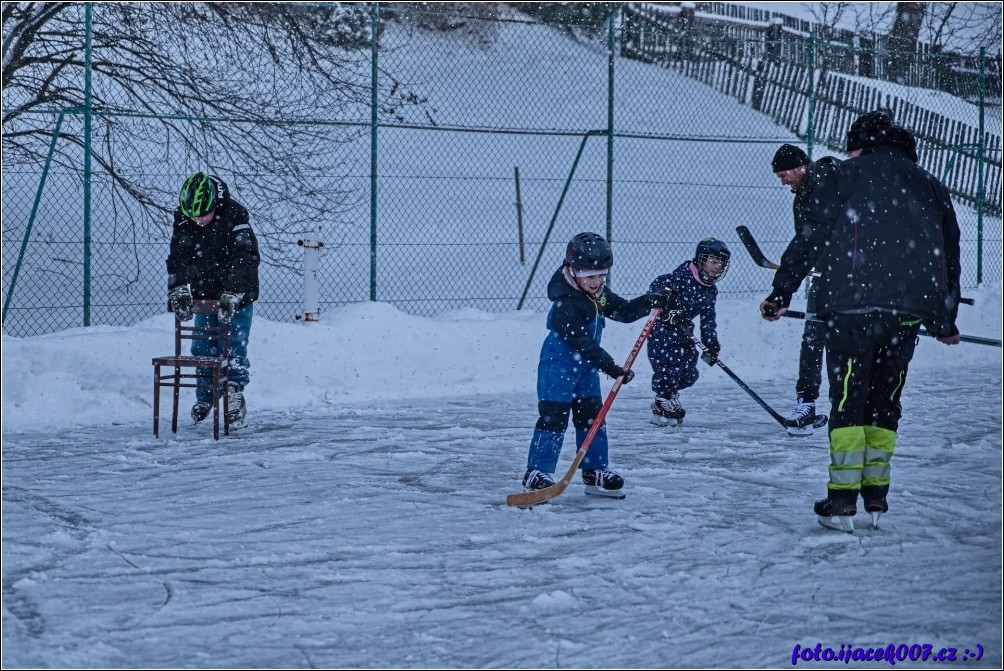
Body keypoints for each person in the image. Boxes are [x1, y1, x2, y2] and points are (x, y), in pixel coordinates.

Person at [759, 111, 962, 532]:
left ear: (860, 144)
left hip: (852, 310)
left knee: (849, 400)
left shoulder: (843, 176)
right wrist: (945, 318)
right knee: (885, 401)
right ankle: (876, 496)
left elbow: (810, 239)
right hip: (907, 314)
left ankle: (841, 501)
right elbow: (948, 252)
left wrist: (782, 294)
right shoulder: (930, 184)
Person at [522, 232, 673, 498]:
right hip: (558, 369)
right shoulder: (566, 303)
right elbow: (582, 344)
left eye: (602, 275)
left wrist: (650, 300)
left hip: (586, 371)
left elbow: (624, 312)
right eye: (590, 276)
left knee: (592, 418)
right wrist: (611, 366)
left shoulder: (598, 294)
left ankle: (594, 471)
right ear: (573, 270)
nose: (597, 282)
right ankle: (537, 471)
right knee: (554, 419)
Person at [167, 172, 261, 427]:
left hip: (238, 295)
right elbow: (177, 258)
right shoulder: (185, 220)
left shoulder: (235, 217)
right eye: (193, 216)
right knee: (202, 347)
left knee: (233, 347)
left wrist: (233, 292)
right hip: (204, 291)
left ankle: (233, 393)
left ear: (213, 205)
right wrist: (177, 287)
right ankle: (205, 396)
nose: (197, 220)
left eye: (202, 215)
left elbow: (246, 258)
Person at [770, 143, 842, 436]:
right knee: (813, 337)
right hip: (826, 276)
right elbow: (807, 242)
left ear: (800, 166)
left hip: (851, 279)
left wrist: (782, 289)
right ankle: (807, 403)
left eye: (784, 173)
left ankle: (848, 406)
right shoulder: (803, 195)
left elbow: (809, 239)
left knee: (842, 342)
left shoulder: (826, 182)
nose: (782, 180)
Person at [646, 237, 729, 427]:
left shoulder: (710, 290)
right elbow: (658, 285)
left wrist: (711, 343)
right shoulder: (682, 276)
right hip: (663, 332)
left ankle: (671, 395)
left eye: (721, 263)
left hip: (684, 333)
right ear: (701, 259)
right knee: (669, 367)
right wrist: (667, 304)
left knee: (689, 373)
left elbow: (708, 319)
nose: (717, 266)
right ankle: (662, 400)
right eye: (713, 261)